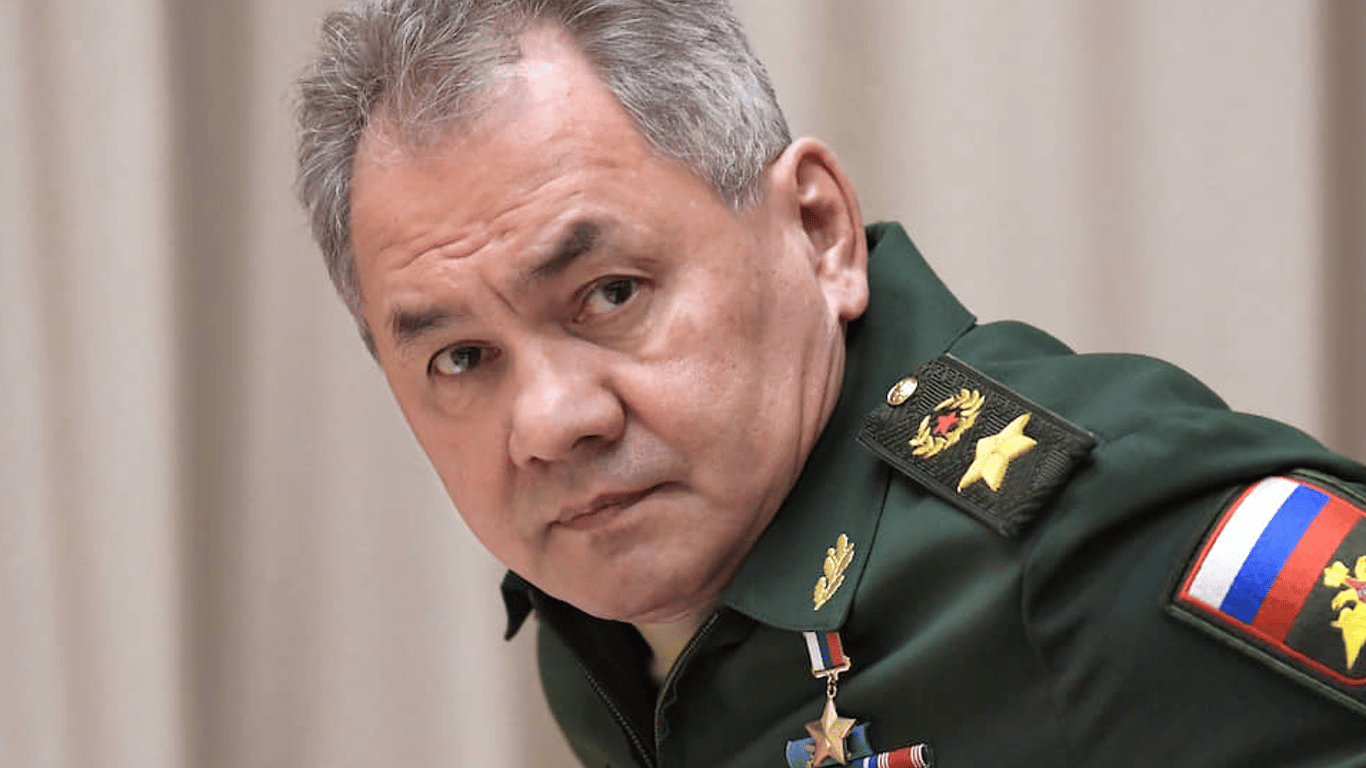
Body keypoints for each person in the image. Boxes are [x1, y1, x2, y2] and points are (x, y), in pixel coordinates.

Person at [293, 1, 1366, 766]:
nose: (551, 422)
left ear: (817, 230)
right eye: (461, 358)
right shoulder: (596, 627)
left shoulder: (1086, 538)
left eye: (610, 293)